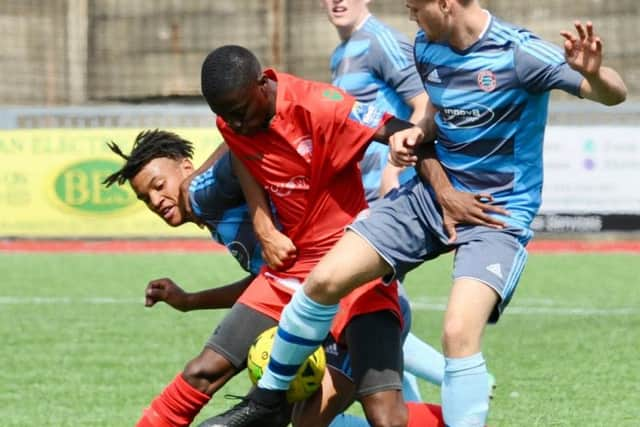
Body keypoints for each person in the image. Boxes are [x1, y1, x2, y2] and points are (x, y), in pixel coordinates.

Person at [216, 1, 627, 426]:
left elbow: (614, 94)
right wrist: (415, 131)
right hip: (428, 198)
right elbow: (433, 111)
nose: (410, 17)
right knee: (324, 280)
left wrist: (594, 74)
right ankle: (264, 405)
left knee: (457, 335)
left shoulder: (519, 53)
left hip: (496, 214)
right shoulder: (427, 46)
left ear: (445, 5)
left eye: (414, 8)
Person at [196, 44, 504, 427]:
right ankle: (266, 403)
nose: (235, 126)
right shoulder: (235, 122)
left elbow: (408, 132)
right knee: (308, 417)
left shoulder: (324, 105)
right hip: (304, 278)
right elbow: (241, 148)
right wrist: (262, 221)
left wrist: (445, 194)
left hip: (360, 274)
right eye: (224, 117)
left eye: (240, 113)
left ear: (261, 84)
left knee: (384, 415)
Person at [103, 130, 451, 427]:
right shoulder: (213, 220)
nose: (155, 200)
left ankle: (453, 420)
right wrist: (191, 300)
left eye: (159, 185)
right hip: (302, 294)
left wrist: (262, 224)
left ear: (187, 168)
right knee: (278, 407)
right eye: (145, 198)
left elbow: (240, 138)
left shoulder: (211, 189)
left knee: (357, 418)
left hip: (357, 293)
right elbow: (269, 278)